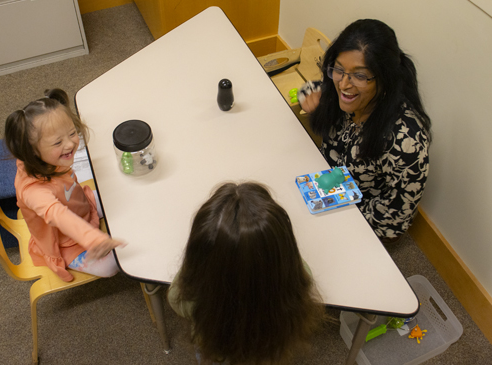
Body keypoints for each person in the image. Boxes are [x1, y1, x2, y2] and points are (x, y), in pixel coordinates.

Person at [300, 19, 432, 243]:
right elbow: (312, 88)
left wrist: (343, 222)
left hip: (362, 217)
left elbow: (394, 218)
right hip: (328, 184)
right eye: (339, 69)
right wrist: (307, 97)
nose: (343, 85)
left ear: (385, 79)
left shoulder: (406, 140)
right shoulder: (338, 89)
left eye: (360, 76)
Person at [168, 182, 325, 364]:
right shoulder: (295, 280)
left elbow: (181, 288)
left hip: (214, 350)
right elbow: (296, 267)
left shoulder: (185, 296)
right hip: (269, 350)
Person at [4, 88, 125, 282]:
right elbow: (58, 215)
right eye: (57, 142)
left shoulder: (48, 159)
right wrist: (92, 238)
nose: (70, 144)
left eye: (71, 133)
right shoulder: (33, 192)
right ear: (32, 151)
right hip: (66, 242)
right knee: (113, 265)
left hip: (81, 204)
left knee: (115, 195)